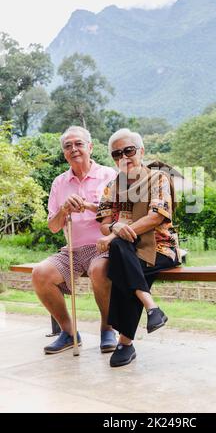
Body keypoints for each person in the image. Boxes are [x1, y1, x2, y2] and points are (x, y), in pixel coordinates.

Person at [96, 128, 181, 367]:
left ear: (141, 151)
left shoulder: (158, 178)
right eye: (117, 154)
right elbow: (104, 224)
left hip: (161, 248)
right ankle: (151, 307)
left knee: (121, 260)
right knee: (122, 249)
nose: (124, 157)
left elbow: (156, 216)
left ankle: (125, 342)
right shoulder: (112, 186)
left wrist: (116, 233)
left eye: (129, 151)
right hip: (129, 251)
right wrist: (114, 228)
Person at [32, 126, 117, 355]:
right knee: (40, 273)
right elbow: (53, 226)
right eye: (68, 146)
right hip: (72, 250)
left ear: (90, 147)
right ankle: (69, 332)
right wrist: (64, 209)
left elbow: (121, 214)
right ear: (64, 153)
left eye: (78, 144)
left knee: (99, 269)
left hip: (103, 246)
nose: (73, 149)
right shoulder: (59, 183)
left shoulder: (109, 175)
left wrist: (89, 205)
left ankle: (108, 328)